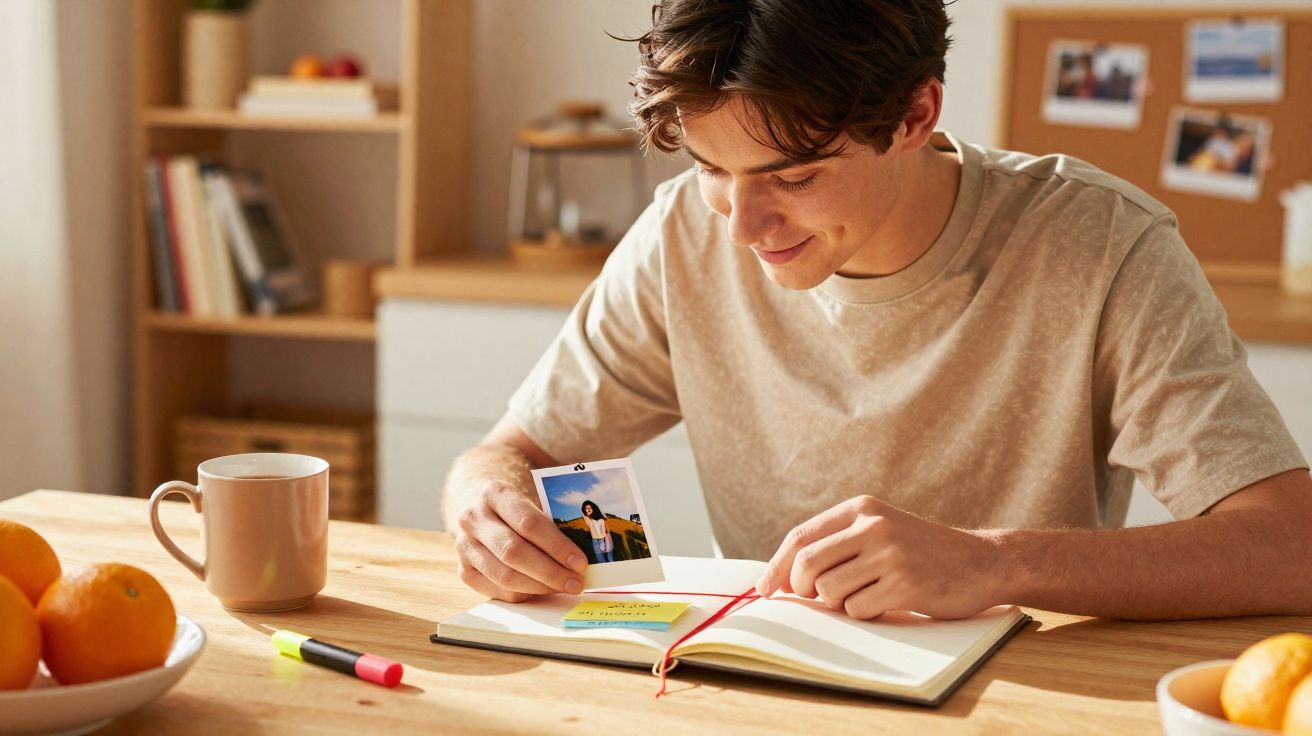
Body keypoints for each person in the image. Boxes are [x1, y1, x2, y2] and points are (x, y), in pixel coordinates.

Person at [444, 0, 1311, 621]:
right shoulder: (682, 232)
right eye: (712, 169)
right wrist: (490, 505)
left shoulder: (1104, 245)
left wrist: (993, 563)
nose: (741, 226)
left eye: (793, 176)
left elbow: (1291, 547)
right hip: (766, 682)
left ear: (915, 115)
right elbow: (512, 455)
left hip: (1017, 696)